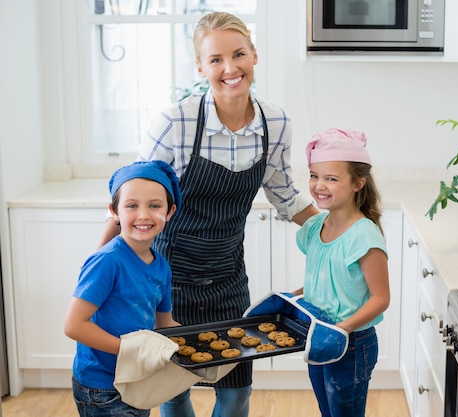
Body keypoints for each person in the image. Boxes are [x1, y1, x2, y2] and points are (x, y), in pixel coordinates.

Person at [98, 11, 317, 417]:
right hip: (169, 282)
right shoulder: (176, 122)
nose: (229, 68)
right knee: (174, 390)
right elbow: (134, 196)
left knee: (236, 393)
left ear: (254, 56)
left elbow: (284, 193)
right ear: (201, 67)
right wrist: (99, 270)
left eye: (239, 55)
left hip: (229, 278)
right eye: (215, 59)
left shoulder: (276, 123)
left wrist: (336, 230)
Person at [64, 160, 182, 417]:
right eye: (131, 206)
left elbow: (165, 324)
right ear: (114, 211)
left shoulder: (161, 267)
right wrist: (131, 350)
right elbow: (74, 325)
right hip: (102, 385)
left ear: (169, 211)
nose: (143, 215)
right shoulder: (107, 261)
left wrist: (200, 345)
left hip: (138, 377)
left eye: (154, 206)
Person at [295, 128, 390, 417]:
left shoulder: (363, 236)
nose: (319, 186)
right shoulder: (315, 227)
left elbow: (380, 298)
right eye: (314, 175)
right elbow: (324, 279)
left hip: (352, 345)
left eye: (331, 178)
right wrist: (294, 297)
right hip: (319, 335)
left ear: (358, 184)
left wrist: (342, 329)